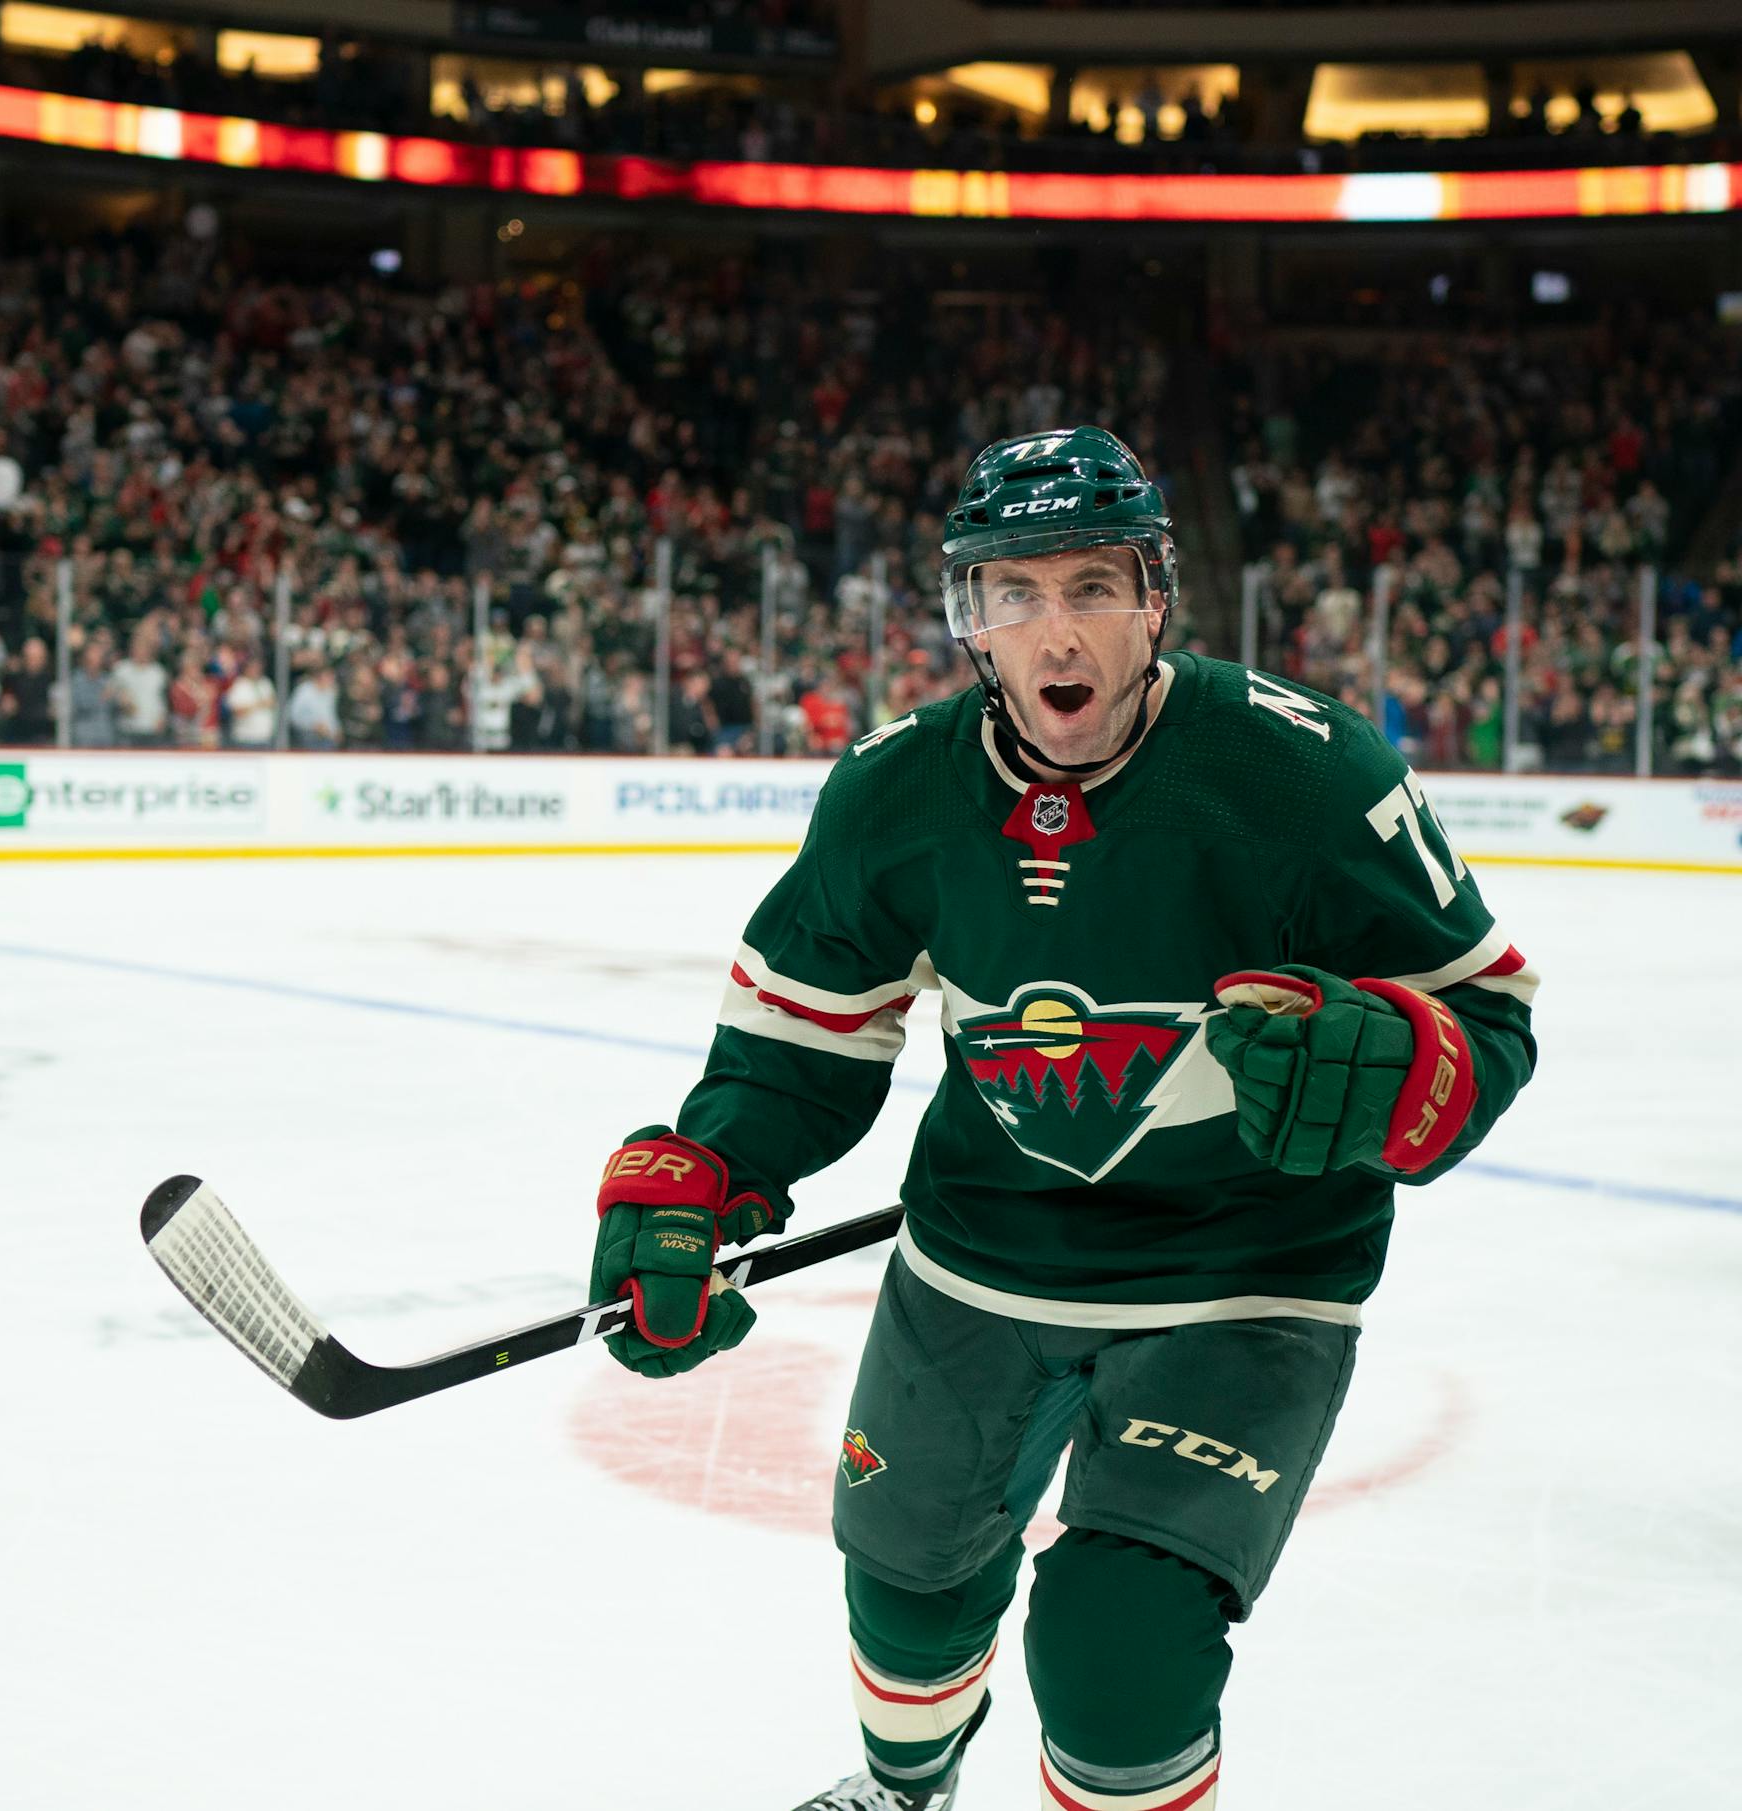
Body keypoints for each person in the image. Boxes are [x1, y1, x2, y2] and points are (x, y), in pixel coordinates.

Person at [585, 428, 1539, 1811]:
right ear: (970, 618)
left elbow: (1489, 1020)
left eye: (1093, 584)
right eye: (1014, 594)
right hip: (983, 1251)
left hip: (1244, 1273)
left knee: (1118, 1649)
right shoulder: (898, 792)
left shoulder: (1304, 775)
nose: (1057, 628)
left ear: (1157, 596)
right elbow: (802, 1042)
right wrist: (710, 1167)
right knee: (907, 1579)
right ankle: (904, 1794)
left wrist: (1403, 1064)